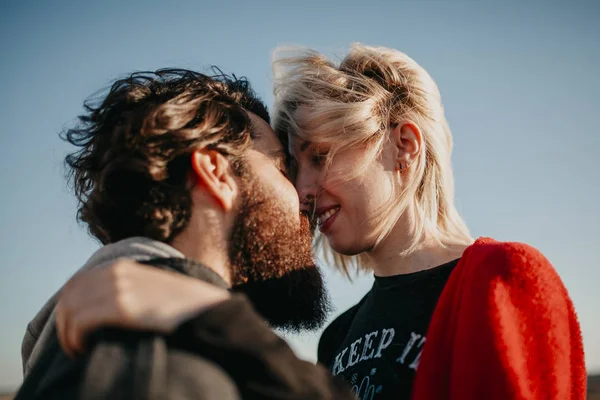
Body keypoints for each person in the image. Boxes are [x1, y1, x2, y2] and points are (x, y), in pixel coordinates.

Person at [46, 45, 587, 400]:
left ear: (403, 145)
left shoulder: (503, 276)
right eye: (291, 166)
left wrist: (209, 314)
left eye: (320, 156)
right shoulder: (338, 337)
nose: (302, 192)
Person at [16, 68, 354, 400]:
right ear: (216, 173)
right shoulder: (165, 365)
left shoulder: (80, 347)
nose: (302, 197)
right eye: (282, 168)